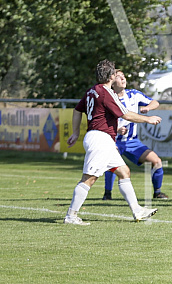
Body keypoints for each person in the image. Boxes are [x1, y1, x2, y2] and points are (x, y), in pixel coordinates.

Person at [65, 59, 162, 225]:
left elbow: (77, 110)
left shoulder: (92, 91)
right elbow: (126, 114)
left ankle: (137, 211)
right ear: (111, 76)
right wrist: (148, 119)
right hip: (100, 140)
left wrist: (75, 133)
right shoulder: (106, 92)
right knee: (89, 178)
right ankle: (71, 216)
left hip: (103, 139)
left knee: (124, 172)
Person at [101, 70, 168, 201]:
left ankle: (157, 192)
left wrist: (148, 107)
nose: (123, 79)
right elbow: (102, 120)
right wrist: (116, 129)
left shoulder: (134, 95)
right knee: (112, 165)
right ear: (112, 82)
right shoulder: (108, 98)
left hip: (132, 141)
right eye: (119, 77)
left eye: (124, 76)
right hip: (114, 141)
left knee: (157, 161)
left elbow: (155, 102)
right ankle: (107, 194)